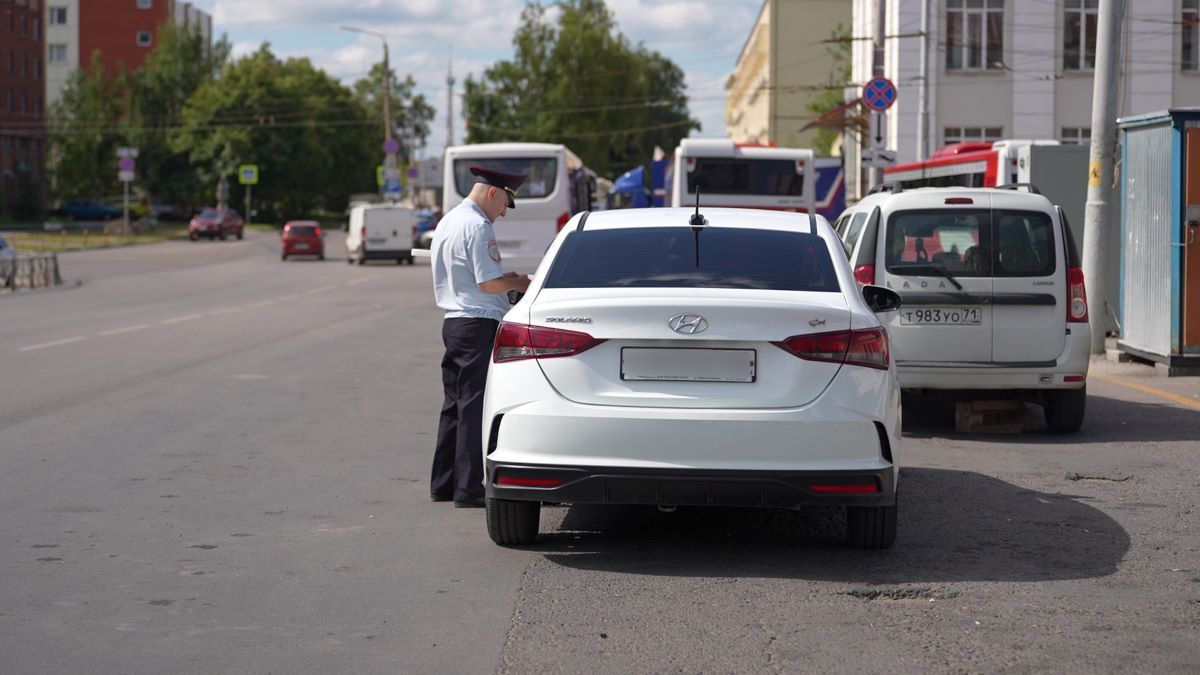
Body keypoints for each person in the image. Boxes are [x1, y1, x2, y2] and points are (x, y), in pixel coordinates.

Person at [429, 166, 532, 508]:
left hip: (454, 322)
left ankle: (443, 483)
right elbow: (488, 285)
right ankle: (469, 489)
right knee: (474, 407)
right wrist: (518, 282)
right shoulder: (478, 225)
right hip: (477, 323)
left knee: (455, 405)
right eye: (505, 202)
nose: (503, 211)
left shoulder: (449, 220)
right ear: (493, 193)